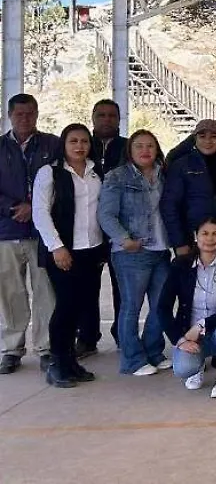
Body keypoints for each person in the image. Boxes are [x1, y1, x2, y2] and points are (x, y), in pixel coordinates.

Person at [32, 123, 103, 387]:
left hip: (91, 250)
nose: (79, 146)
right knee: (65, 308)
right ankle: (57, 363)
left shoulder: (97, 173)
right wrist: (57, 247)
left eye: (84, 141)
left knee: (82, 307)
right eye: (73, 141)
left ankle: (72, 362)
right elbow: (40, 212)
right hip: (63, 251)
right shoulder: (49, 173)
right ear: (64, 144)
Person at [98, 129, 172, 376]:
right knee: (131, 306)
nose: (145, 150)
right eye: (139, 146)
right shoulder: (117, 177)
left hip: (161, 250)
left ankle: (153, 351)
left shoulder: (164, 174)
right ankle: (132, 360)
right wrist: (124, 239)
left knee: (161, 305)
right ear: (129, 150)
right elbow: (106, 215)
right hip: (132, 253)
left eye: (150, 145)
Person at [0, 94, 59, 375]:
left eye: (30, 113)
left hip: (42, 234)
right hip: (6, 232)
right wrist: (13, 207)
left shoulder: (52, 144)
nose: (25, 118)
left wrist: (33, 207)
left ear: (37, 114)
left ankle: (46, 347)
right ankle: (12, 349)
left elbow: (61, 183)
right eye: (20, 114)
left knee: (45, 291)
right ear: (10, 115)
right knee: (11, 293)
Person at [156, 218, 216, 398]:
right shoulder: (180, 265)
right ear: (196, 237)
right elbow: (163, 307)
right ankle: (198, 366)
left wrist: (201, 325)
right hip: (190, 336)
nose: (210, 239)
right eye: (205, 233)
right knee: (183, 369)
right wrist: (180, 340)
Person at [84, 99, 126, 355]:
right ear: (93, 118)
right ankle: (87, 338)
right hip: (87, 229)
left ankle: (123, 336)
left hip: (121, 229)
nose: (107, 119)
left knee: (123, 288)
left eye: (112, 115)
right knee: (87, 287)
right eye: (101, 115)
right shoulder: (81, 145)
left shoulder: (129, 146)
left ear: (119, 120)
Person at [162, 120, 216, 261]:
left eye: (214, 137)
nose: (208, 141)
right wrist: (180, 242)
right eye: (202, 136)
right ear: (194, 139)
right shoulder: (181, 165)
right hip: (192, 239)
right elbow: (169, 205)